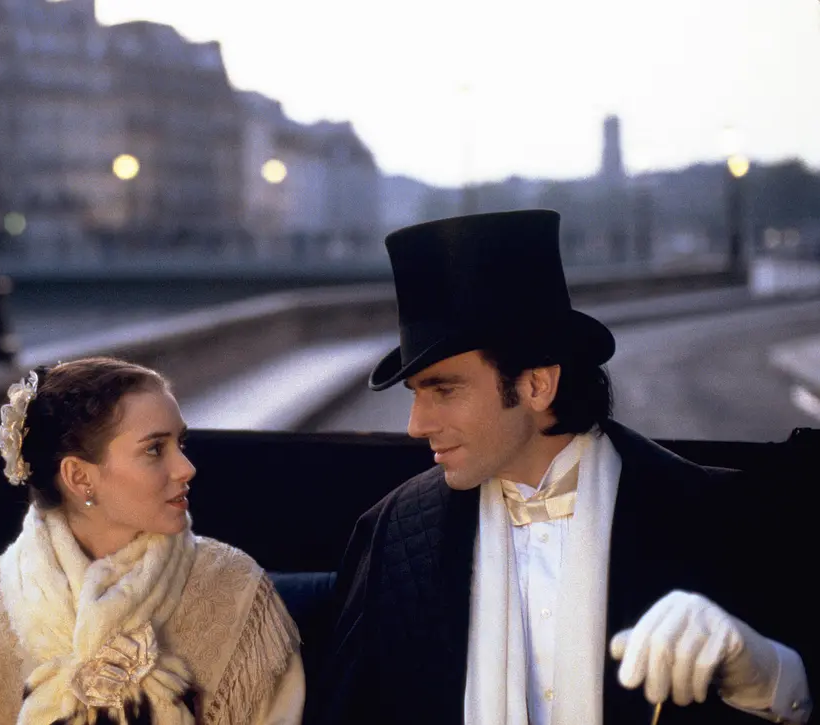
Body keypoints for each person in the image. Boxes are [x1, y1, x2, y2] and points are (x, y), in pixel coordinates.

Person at [307, 210, 814, 725]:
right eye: (416, 393)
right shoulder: (392, 535)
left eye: (444, 390)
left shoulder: (707, 512)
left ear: (536, 385)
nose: (416, 425)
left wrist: (764, 673)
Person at [0, 357, 304, 725]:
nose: (186, 468)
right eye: (155, 449)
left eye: (181, 444)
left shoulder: (235, 588)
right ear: (79, 477)